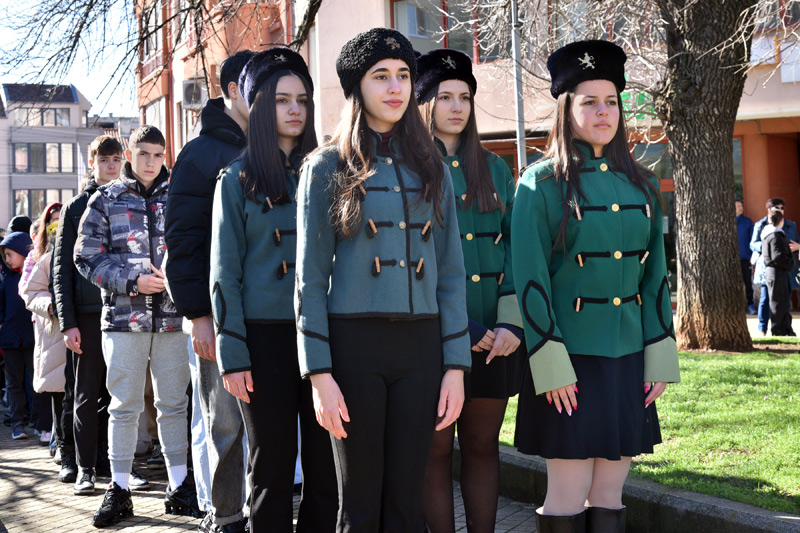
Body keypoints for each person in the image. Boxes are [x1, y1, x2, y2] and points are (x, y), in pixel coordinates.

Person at [295, 28, 470, 532]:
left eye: (403, 76)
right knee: (359, 506)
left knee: (407, 506)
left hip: (421, 349)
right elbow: (309, 281)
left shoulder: (433, 166)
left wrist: (455, 367)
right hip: (354, 349)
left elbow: (450, 273)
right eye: (380, 76)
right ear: (358, 86)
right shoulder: (325, 166)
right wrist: (319, 375)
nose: (395, 87)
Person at [511, 40, 681, 532]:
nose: (603, 112)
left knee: (609, 493)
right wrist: (550, 365)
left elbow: (656, 277)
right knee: (566, 495)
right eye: (589, 102)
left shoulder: (643, 183)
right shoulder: (539, 183)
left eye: (611, 101)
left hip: (629, 359)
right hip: (568, 362)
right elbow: (530, 280)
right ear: (567, 109)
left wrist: (659, 355)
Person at [211, 47, 338, 532]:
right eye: (282, 100)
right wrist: (233, 355)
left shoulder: (329, 173)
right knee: (271, 467)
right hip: (263, 341)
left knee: (327, 467)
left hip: (322, 335)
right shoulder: (235, 180)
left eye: (302, 100)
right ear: (260, 106)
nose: (294, 109)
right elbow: (224, 273)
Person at [415, 48, 523, 533]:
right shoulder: (410, 167)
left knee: (481, 446)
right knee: (435, 450)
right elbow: (414, 263)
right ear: (425, 104)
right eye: (444, 97)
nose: (456, 106)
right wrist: (462, 327)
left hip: (496, 340)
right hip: (436, 336)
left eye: (464, 97)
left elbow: (517, 250)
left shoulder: (496, 168)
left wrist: (510, 321)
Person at [74, 125, 198, 528]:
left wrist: (176, 276)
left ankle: (179, 487)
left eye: (158, 155)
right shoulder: (105, 198)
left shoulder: (178, 196)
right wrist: (132, 281)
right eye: (143, 153)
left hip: (173, 320)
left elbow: (195, 249)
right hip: (123, 321)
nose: (150, 162)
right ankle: (120, 488)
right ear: (130, 153)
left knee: (174, 405)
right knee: (123, 406)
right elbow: (85, 255)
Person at [165, 49, 253, 532]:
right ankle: (225, 516)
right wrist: (198, 314)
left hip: (271, 310)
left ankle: (262, 510)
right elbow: (182, 242)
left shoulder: (280, 147)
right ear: (234, 90)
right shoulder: (198, 154)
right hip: (217, 316)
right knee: (224, 423)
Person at [53, 135, 151, 496]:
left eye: (115, 159)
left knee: (122, 395)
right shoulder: (76, 207)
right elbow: (62, 270)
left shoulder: (133, 198)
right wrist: (68, 323)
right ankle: (85, 468)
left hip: (126, 309)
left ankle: (122, 468)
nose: (111, 166)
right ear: (92, 163)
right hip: (89, 314)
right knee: (85, 393)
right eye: (104, 160)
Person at [19, 202, 66, 455]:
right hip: (47, 324)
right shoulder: (36, 254)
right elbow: (26, 288)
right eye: (52, 220)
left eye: (60, 219)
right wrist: (49, 305)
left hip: (74, 323)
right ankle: (56, 438)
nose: (56, 224)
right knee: (54, 384)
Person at [0, 230, 36, 441]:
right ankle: (17, 423)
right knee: (13, 383)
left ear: (23, 252)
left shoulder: (35, 276)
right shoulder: (6, 279)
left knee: (35, 382)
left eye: (10, 254)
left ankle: (40, 423)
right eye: (5, 255)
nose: (7, 259)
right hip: (10, 340)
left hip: (32, 338)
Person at [750, 198, 800, 336]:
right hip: (769, 268)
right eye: (777, 208)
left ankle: (786, 328)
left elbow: (796, 242)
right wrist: (768, 247)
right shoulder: (761, 225)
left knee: (784, 300)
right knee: (766, 300)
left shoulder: (791, 225)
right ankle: (762, 329)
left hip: (786, 269)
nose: (781, 210)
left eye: (782, 208)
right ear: (769, 210)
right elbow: (753, 244)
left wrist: (797, 247)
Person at [761, 209, 795, 336]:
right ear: (781, 220)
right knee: (779, 303)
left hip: (775, 273)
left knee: (781, 302)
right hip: (777, 273)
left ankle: (786, 329)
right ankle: (779, 330)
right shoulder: (775, 236)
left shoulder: (768, 234)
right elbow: (777, 257)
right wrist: (791, 263)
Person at [736, 200, 756, 315]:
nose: (740, 208)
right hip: (730, 260)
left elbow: (752, 240)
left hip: (745, 258)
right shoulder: (726, 221)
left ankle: (750, 304)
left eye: (741, 206)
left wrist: (752, 256)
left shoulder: (748, 222)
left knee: (748, 283)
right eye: (738, 206)